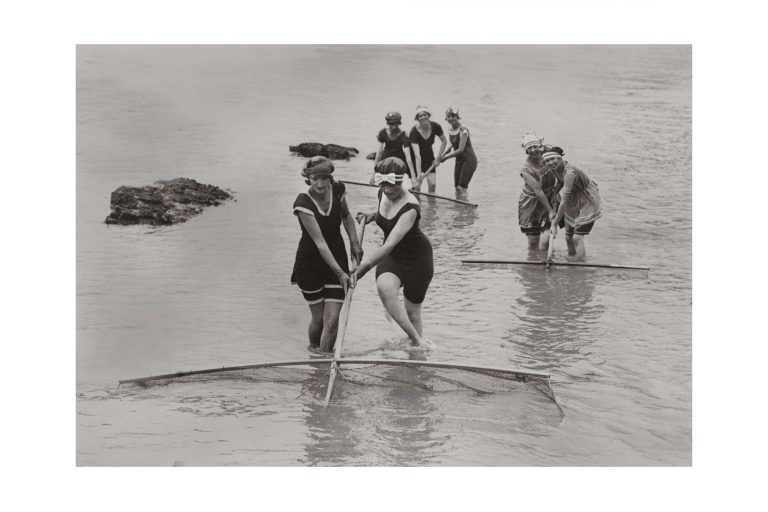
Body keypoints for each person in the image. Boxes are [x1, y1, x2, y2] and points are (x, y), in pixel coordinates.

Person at [351, 157, 434, 346]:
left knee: (412, 312)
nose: (388, 190)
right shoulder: (382, 193)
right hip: (394, 257)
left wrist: (364, 267)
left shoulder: (411, 207)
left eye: (393, 186)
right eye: (385, 185)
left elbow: (389, 244)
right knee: (385, 288)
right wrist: (372, 216)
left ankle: (415, 352)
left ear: (401, 181)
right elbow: (385, 215)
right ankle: (417, 341)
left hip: (418, 259)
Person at [291, 156, 363, 352]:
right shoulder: (303, 202)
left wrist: (354, 243)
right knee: (318, 319)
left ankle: (324, 361)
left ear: (330, 177)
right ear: (308, 178)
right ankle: (314, 354)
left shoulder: (338, 189)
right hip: (310, 263)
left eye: (325, 178)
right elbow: (320, 242)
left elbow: (346, 216)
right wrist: (341, 273)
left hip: (337, 256)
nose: (321, 184)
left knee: (331, 321)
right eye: (315, 178)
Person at [545, 147, 603, 260]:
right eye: (547, 161)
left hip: (586, 200)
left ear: (560, 158)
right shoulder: (554, 168)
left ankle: (580, 264)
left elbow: (564, 201)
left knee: (577, 237)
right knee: (568, 236)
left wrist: (555, 224)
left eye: (553, 159)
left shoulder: (570, 173)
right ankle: (571, 260)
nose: (550, 163)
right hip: (573, 198)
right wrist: (553, 195)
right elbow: (560, 182)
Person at [517, 132, 562, 250]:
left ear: (540, 146)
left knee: (546, 241)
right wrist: (550, 211)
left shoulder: (548, 155)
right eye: (529, 148)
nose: (533, 150)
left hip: (551, 197)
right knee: (533, 242)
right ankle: (533, 262)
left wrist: (555, 195)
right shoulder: (526, 169)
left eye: (535, 146)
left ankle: (545, 259)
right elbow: (538, 192)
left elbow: (560, 161)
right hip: (531, 204)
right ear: (526, 150)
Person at [439, 105, 478, 199]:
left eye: (453, 116)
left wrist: (446, 158)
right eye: (448, 116)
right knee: (457, 187)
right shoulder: (450, 129)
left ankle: (465, 207)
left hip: (469, 160)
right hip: (459, 160)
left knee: (462, 187)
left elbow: (460, 149)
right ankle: (460, 208)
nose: (450, 118)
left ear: (457, 117)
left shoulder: (463, 130)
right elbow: (455, 142)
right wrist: (447, 150)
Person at [371, 111, 418, 189]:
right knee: (384, 185)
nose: (393, 126)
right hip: (385, 161)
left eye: (396, 124)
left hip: (398, 162)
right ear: (388, 123)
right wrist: (374, 174)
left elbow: (408, 157)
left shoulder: (404, 135)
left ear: (399, 123)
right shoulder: (382, 132)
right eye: (391, 124)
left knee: (398, 185)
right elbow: (379, 153)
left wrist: (413, 177)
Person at [408, 105, 447, 193]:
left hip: (429, 158)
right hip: (416, 160)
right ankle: (417, 204)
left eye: (425, 115)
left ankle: (432, 206)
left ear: (428, 115)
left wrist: (438, 158)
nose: (423, 117)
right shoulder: (414, 132)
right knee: (417, 188)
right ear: (417, 118)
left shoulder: (436, 126)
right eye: (420, 116)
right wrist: (419, 176)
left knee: (432, 184)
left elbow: (444, 141)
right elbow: (417, 155)